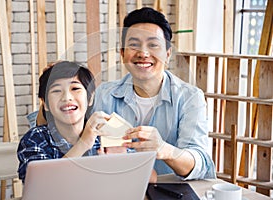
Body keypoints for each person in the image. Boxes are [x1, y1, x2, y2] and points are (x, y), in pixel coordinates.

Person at [89, 7, 216, 180]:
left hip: (170, 194)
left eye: (153, 45)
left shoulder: (190, 97)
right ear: (122, 54)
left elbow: (200, 163)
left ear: (168, 54)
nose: (143, 53)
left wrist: (165, 149)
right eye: (134, 45)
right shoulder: (104, 94)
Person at [17, 61, 111, 183]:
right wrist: (84, 143)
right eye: (56, 91)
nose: (67, 97)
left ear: (90, 98)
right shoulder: (36, 139)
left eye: (75, 88)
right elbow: (41, 187)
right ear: (45, 104)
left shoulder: (106, 136)